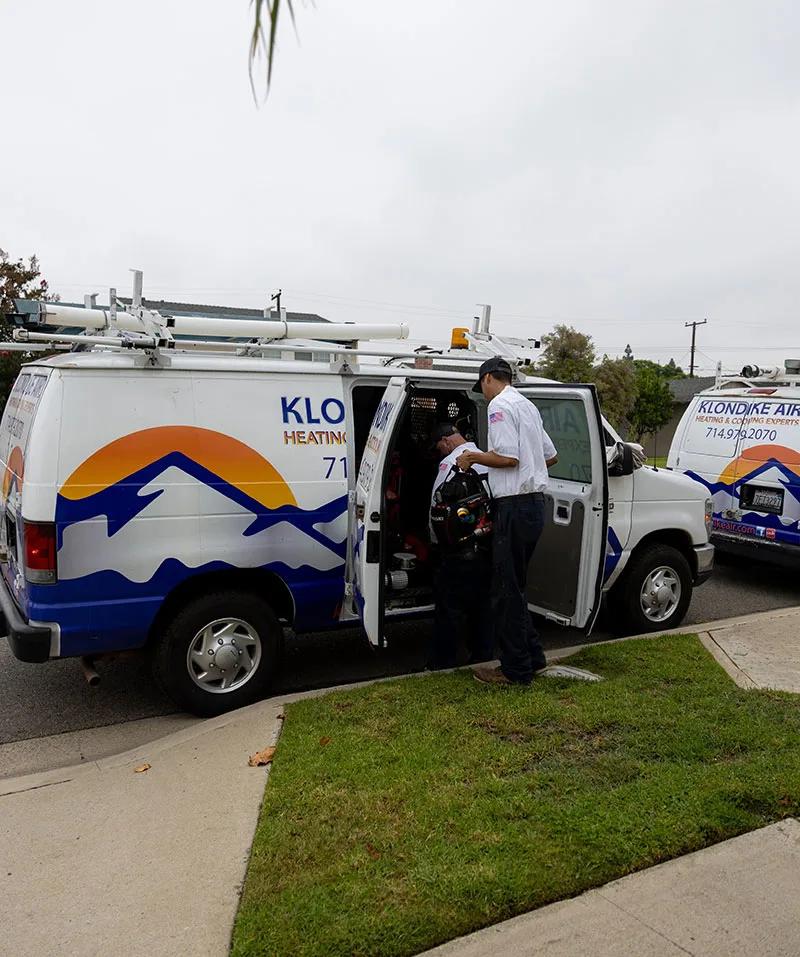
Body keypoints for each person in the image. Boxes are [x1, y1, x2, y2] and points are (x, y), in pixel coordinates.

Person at [456, 357, 558, 686]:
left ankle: (515, 670)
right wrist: (529, 473)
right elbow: (550, 455)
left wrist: (471, 457)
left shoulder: (499, 405)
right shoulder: (527, 405)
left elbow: (508, 457)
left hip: (513, 506)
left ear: (488, 378)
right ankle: (534, 658)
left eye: (482, 387)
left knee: (504, 591)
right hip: (534, 505)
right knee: (514, 588)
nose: (483, 394)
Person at [427, 421, 493, 671]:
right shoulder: (487, 458)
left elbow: (436, 508)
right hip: (486, 545)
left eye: (439, 447)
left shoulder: (450, 464)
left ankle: (441, 663)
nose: (440, 452)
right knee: (482, 607)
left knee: (449, 609)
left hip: (458, 549)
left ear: (446, 441)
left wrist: (434, 544)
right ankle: (483, 657)